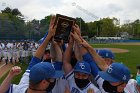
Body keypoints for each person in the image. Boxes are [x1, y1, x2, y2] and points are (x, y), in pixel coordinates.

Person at [0, 16, 63, 93]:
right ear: (44, 83)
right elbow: (58, 63)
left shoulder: (22, 86)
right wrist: (53, 41)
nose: (54, 79)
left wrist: (10, 75)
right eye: (52, 78)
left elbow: (2, 91)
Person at [71, 25, 131, 93]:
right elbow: (96, 62)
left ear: (123, 85)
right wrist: (80, 39)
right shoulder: (104, 82)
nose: (106, 80)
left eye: (111, 80)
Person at [63, 28, 101, 93]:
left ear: (89, 76)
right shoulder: (71, 78)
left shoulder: (94, 91)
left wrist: (78, 38)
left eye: (84, 75)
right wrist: (71, 43)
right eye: (78, 74)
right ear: (74, 73)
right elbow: (66, 62)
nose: (80, 78)